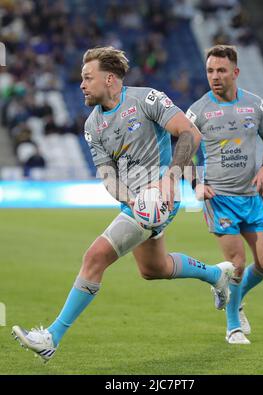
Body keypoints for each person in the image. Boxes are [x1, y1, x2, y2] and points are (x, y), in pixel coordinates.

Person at [12, 46, 234, 361]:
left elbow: (190, 134)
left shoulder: (147, 100)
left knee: (95, 257)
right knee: (153, 269)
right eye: (81, 78)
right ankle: (215, 275)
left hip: (161, 198)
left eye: (88, 78)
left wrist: (169, 180)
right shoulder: (92, 127)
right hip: (136, 203)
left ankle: (52, 336)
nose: (81, 84)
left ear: (111, 80)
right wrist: (131, 198)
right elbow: (108, 177)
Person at [186, 45, 263, 344]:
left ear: (235, 72)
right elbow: (183, 152)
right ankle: (233, 327)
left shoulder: (255, 105)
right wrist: (195, 184)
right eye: (210, 70)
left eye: (221, 70)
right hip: (219, 199)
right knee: (237, 262)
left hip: (251, 198)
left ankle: (234, 297)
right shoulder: (198, 110)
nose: (215, 76)